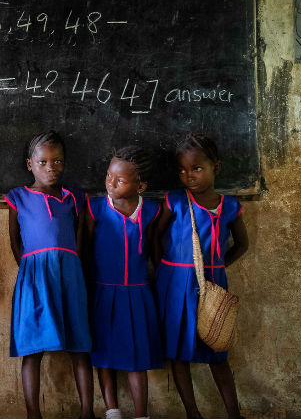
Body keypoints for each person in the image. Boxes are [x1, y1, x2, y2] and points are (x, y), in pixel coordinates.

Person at [154, 134, 249, 419]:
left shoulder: (229, 206)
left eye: (197, 168)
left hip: (212, 285)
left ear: (215, 168)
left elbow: (242, 245)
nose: (189, 175)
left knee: (217, 348)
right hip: (175, 285)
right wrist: (165, 270)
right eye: (182, 170)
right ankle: (192, 413)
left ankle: (234, 413)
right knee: (179, 351)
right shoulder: (175, 202)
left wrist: (217, 268)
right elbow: (155, 238)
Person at [4, 130, 93, 419]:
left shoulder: (74, 198)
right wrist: (30, 268)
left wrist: (72, 262)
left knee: (79, 345)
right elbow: (14, 239)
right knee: (32, 348)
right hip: (34, 277)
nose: (50, 168)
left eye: (57, 162)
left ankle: (87, 411)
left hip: (70, 275)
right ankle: (33, 413)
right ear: (30, 164)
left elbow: (81, 235)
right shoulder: (18, 196)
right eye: (43, 162)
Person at [83, 146, 163, 419]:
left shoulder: (152, 211)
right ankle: (111, 410)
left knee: (136, 354)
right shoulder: (94, 209)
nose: (110, 182)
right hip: (103, 290)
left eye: (120, 179)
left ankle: (141, 413)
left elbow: (154, 252)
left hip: (138, 293)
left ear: (140, 186)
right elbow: (85, 251)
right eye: (108, 175)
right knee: (103, 351)